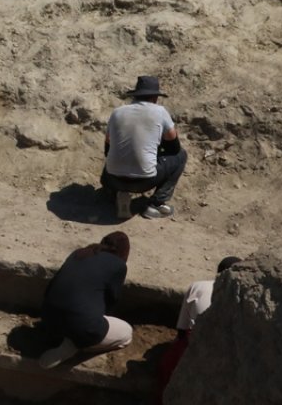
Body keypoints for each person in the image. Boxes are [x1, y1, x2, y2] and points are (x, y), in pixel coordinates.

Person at [38, 231, 134, 369]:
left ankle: (64, 336)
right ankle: (72, 345)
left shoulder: (79, 253)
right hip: (81, 327)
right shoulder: (119, 265)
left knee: (78, 316)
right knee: (127, 333)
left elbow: (51, 287)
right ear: (123, 253)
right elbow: (111, 301)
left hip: (48, 318)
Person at [155, 256, 242, 404]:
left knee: (167, 370)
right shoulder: (242, 297)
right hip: (224, 354)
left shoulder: (199, 286)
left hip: (193, 342)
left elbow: (182, 328)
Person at [102, 75, 186, 220]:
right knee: (181, 156)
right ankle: (156, 204)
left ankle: (117, 194)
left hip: (112, 178)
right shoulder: (160, 112)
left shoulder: (117, 112)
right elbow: (175, 147)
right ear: (155, 97)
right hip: (144, 182)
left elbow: (107, 148)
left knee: (114, 158)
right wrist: (158, 150)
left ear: (135, 96)